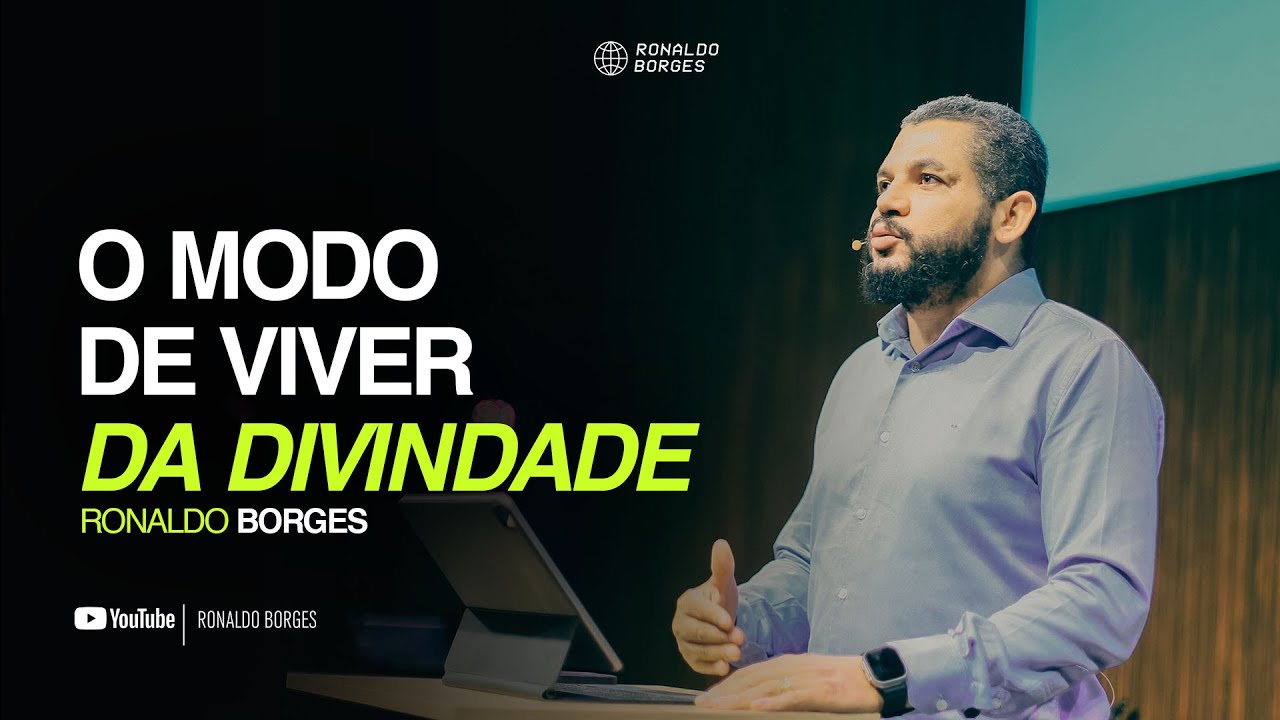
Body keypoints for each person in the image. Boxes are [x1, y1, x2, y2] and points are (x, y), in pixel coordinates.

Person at [671, 95, 1165, 718]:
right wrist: (741, 620)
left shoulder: (1083, 364)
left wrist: (887, 677)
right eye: (884, 183)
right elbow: (812, 566)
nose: (888, 202)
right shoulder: (860, 371)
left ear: (1010, 216)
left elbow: (1100, 600)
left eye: (927, 179)